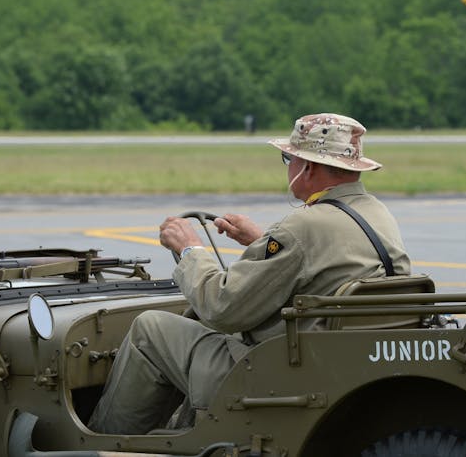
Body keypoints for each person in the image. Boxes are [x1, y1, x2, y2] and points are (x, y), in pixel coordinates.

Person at [88, 113, 411, 435]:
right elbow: (326, 265)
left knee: (150, 329)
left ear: (308, 166)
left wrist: (190, 251)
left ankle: (106, 444)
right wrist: (261, 242)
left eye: (289, 159)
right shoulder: (376, 214)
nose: (288, 167)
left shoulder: (304, 225)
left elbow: (222, 309)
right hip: (341, 367)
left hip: (276, 374)